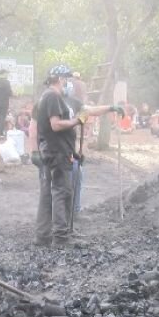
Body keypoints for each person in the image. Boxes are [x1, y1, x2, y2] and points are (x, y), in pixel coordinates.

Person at [34, 64, 123, 246]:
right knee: (61, 192)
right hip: (56, 153)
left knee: (49, 194)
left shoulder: (63, 100)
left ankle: (43, 236)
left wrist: (110, 108)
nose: (70, 83)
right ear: (60, 79)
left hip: (58, 151)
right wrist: (77, 121)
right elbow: (56, 125)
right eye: (67, 79)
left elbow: (88, 110)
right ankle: (60, 237)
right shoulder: (52, 96)